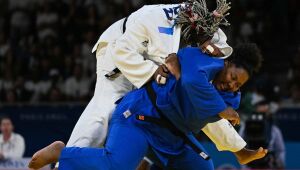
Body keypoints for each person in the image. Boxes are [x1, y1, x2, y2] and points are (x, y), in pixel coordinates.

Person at [29, 43, 267, 170]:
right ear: (227, 63)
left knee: (204, 166)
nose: (231, 84)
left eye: (238, 84)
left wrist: (237, 144)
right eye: (233, 76)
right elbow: (193, 82)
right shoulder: (201, 58)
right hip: (141, 117)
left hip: (174, 136)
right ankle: (62, 153)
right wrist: (221, 109)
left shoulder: (231, 100)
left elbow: (204, 109)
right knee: (117, 165)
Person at [65, 0, 248, 160]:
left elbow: (203, 102)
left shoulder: (199, 39)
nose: (211, 55)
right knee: (107, 109)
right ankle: (64, 162)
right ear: (198, 33)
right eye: (210, 49)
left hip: (154, 60)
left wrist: (237, 147)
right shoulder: (157, 21)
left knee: (175, 106)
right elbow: (121, 51)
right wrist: (153, 72)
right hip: (118, 51)